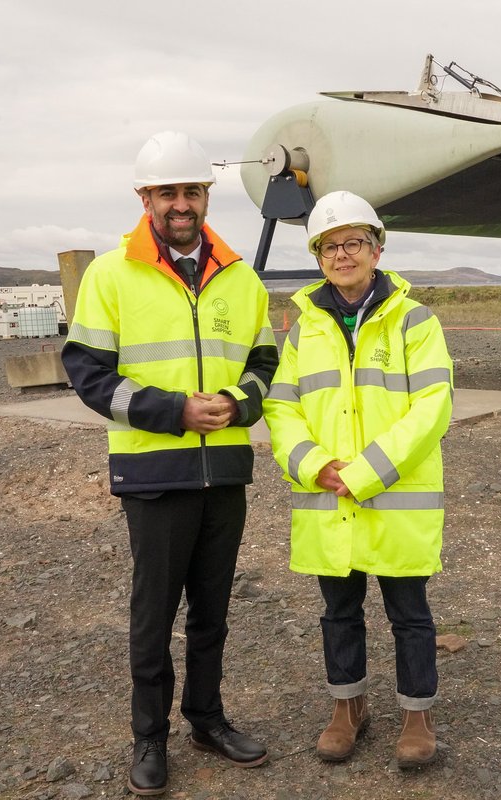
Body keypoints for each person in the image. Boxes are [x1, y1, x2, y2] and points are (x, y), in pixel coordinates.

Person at [61, 131, 278, 795]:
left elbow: (265, 364)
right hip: (154, 475)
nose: (180, 204)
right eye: (167, 193)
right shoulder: (110, 274)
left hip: (227, 472)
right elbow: (86, 370)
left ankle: (207, 720)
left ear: (206, 196)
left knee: (212, 612)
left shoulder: (241, 277)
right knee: (155, 618)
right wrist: (173, 412)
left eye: (191, 191)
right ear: (144, 198)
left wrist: (240, 406)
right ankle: (149, 739)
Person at [263, 191, 454, 767]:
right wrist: (314, 465)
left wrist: (364, 473)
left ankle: (417, 715)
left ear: (376, 248)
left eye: (353, 242)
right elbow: (282, 405)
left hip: (395, 499)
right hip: (327, 495)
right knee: (338, 612)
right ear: (319, 256)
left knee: (409, 614)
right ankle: (348, 708)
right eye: (329, 246)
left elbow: (433, 406)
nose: (342, 254)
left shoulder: (415, 321)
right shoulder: (304, 329)